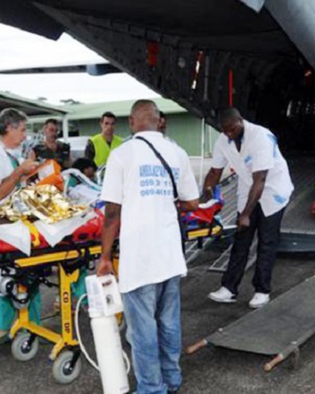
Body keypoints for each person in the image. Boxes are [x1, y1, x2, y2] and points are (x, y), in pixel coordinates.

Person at [97, 99, 199, 394]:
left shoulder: (121, 155)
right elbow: (192, 202)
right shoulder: (177, 152)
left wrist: (105, 257)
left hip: (139, 257)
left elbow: (112, 213)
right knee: (168, 323)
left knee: (143, 330)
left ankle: (152, 388)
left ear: (132, 122)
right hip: (169, 254)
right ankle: (172, 380)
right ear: (158, 121)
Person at [205, 108, 294, 309]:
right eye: (224, 130)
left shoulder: (260, 137)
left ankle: (262, 291)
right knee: (241, 239)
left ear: (240, 121)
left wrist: (246, 214)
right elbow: (215, 171)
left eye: (231, 129)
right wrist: (206, 195)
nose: (228, 134)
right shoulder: (223, 139)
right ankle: (229, 288)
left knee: (266, 241)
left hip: (272, 191)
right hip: (248, 187)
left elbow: (260, 179)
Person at [0, 108, 41, 343]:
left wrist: (31, 173)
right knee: (17, 277)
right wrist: (19, 172)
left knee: (24, 274)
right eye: (22, 130)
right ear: (9, 128)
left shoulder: (16, 154)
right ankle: (24, 327)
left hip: (17, 224)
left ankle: (3, 328)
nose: (25, 135)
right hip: (0, 227)